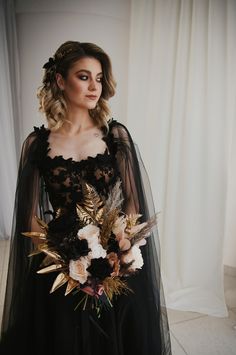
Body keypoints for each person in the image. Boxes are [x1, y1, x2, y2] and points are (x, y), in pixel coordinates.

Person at [0, 40, 172, 355]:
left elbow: (134, 203)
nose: (95, 86)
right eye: (84, 77)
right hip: (60, 261)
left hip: (114, 260)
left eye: (99, 77)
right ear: (60, 81)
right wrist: (67, 265)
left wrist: (119, 254)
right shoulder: (37, 144)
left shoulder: (115, 136)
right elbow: (30, 220)